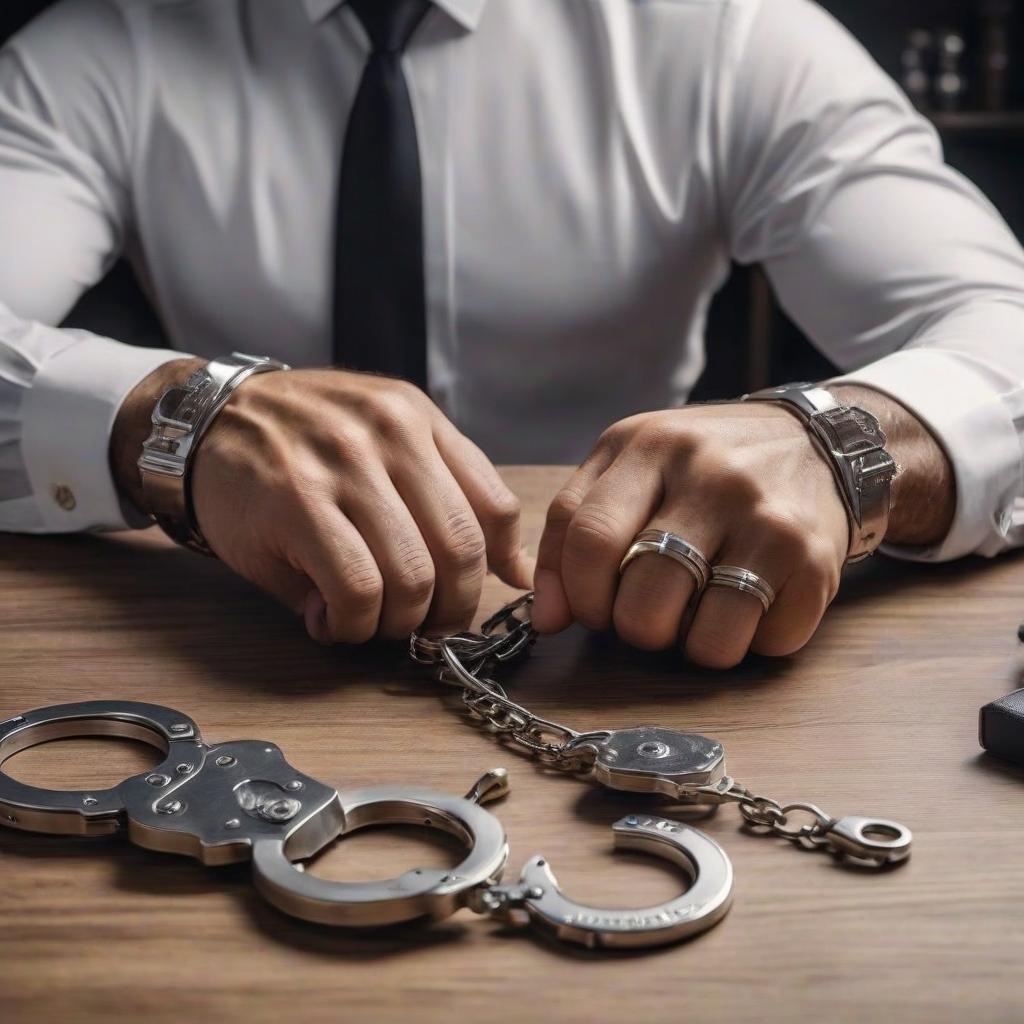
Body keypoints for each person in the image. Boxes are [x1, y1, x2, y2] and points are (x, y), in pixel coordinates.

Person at [0, 0, 1021, 669]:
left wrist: (839, 444)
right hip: (242, 644)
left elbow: (1001, 324)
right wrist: (169, 422)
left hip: (631, 649)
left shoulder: (729, 31)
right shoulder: (103, 44)